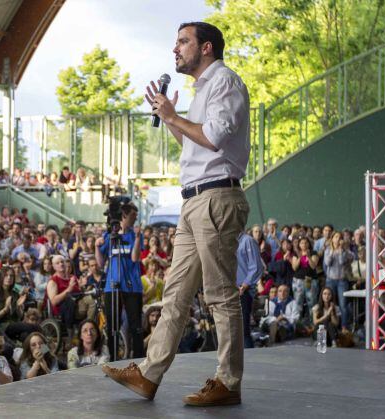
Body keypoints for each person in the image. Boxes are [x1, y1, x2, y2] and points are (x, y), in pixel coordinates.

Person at [102, 21, 251, 407]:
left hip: (216, 197)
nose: (175, 49)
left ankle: (228, 382)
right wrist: (169, 116)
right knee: (175, 295)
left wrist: (173, 114)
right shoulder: (202, 91)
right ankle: (149, 375)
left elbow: (214, 137)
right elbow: (194, 141)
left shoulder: (225, 82)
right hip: (193, 201)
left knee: (219, 296)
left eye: (183, 41)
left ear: (207, 48)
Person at [95, 201, 144, 360]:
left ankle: (138, 358)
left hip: (132, 286)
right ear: (123, 216)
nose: (135, 219)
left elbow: (135, 258)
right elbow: (101, 263)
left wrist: (137, 238)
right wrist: (97, 247)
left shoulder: (135, 235)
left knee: (135, 325)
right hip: (112, 285)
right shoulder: (109, 235)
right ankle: (114, 358)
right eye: (132, 216)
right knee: (112, 326)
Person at [237, 230, 265, 348]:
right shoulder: (226, 240)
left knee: (243, 330)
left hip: (243, 291)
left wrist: (245, 285)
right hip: (228, 291)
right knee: (231, 332)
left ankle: (250, 361)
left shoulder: (248, 240)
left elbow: (256, 267)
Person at [323, 231, 354, 332]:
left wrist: (341, 251)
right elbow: (327, 263)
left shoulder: (345, 250)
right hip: (330, 280)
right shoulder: (328, 250)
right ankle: (329, 325)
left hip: (342, 281)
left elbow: (342, 262)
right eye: (336, 237)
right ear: (332, 239)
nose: (337, 239)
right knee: (329, 303)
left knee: (343, 305)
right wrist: (332, 251)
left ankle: (344, 327)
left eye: (339, 237)